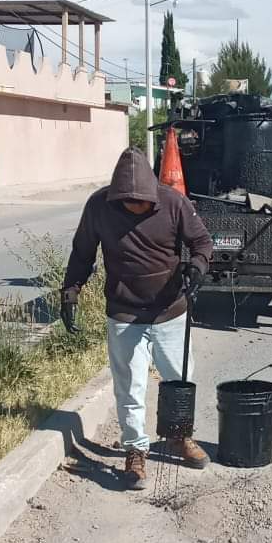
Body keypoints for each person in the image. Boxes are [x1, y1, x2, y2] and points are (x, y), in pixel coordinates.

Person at [61, 146, 213, 489]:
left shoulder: (173, 203)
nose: (136, 207)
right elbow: (83, 252)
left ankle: (178, 437)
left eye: (141, 203)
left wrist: (198, 267)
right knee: (130, 386)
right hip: (124, 312)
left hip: (170, 310)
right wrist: (70, 290)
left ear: (152, 194)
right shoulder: (98, 206)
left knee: (179, 379)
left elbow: (202, 241)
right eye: (128, 203)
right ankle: (135, 450)